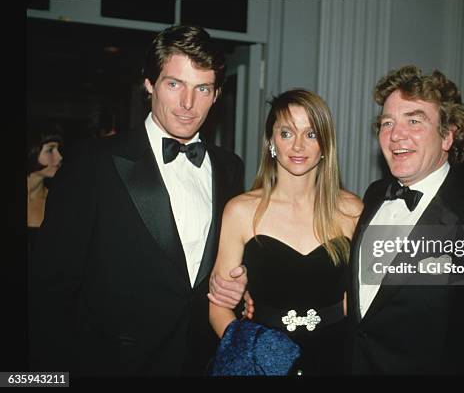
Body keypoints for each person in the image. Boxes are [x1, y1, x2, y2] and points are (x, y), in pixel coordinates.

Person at [28, 25, 245, 376]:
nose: (188, 104)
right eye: (174, 84)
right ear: (149, 83)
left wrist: (239, 276)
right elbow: (50, 289)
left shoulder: (229, 167)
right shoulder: (93, 162)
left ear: (217, 93)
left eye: (202, 88)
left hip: (202, 361)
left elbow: (223, 258)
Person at [345, 65, 464, 374]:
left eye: (414, 120)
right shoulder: (375, 195)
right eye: (387, 123)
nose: (396, 135)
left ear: (447, 137)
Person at [208, 89, 363, 375]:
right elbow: (218, 307)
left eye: (311, 134)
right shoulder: (240, 211)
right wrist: (252, 352)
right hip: (261, 367)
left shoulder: (352, 210)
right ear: (271, 142)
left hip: (337, 359)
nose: (298, 146)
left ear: (325, 145)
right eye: (287, 133)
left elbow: (360, 303)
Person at [27, 122, 64, 230]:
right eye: (50, 150)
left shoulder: (58, 201)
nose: (59, 157)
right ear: (31, 151)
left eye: (58, 149)